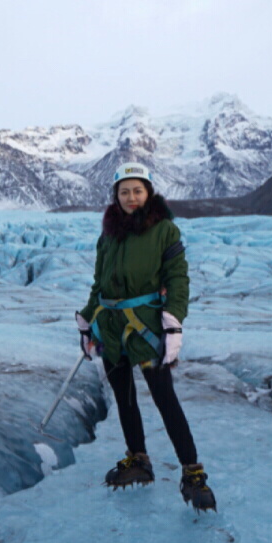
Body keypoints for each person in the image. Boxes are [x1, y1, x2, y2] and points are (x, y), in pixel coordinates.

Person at [76, 162, 215, 510]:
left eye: (137, 190)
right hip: (111, 329)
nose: (131, 197)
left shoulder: (164, 231)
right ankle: (139, 460)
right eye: (124, 192)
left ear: (148, 192)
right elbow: (100, 287)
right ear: (116, 196)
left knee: (165, 399)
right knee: (124, 398)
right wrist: (88, 320)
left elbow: (178, 279)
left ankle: (192, 472)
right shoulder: (107, 236)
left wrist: (173, 322)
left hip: (146, 328)